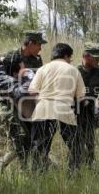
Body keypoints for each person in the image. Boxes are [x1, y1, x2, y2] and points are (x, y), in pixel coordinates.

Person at [0, 30, 47, 171]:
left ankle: (3, 166)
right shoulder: (11, 56)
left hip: (28, 104)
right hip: (8, 103)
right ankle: (22, 170)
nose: (40, 48)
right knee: (20, 138)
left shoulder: (36, 60)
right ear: (30, 43)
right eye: (39, 44)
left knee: (31, 138)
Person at [28, 43, 85, 172]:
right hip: (64, 111)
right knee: (75, 147)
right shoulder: (73, 70)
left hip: (42, 110)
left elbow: (32, 91)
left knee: (39, 148)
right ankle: (73, 174)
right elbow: (81, 97)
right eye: (70, 57)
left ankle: (37, 175)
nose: (71, 60)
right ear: (65, 56)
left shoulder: (42, 69)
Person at [77, 42, 99, 166]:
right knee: (76, 143)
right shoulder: (75, 71)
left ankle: (90, 165)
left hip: (92, 109)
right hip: (75, 110)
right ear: (86, 56)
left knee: (90, 142)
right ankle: (75, 166)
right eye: (95, 57)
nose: (98, 60)